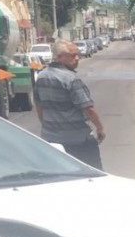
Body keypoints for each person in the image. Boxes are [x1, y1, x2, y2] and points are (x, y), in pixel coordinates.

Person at [34, 40, 106, 170]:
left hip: (51, 140)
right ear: (60, 57)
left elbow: (39, 106)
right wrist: (100, 128)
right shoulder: (71, 79)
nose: (77, 58)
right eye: (73, 55)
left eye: (77, 55)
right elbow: (88, 109)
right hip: (78, 141)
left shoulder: (41, 77)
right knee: (93, 173)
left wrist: (48, 127)